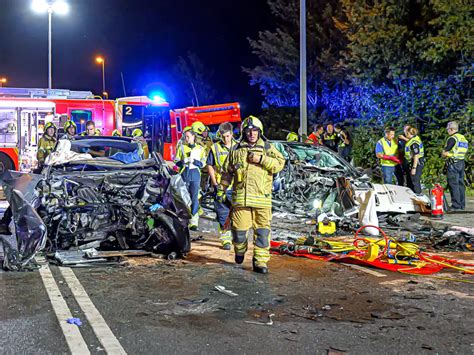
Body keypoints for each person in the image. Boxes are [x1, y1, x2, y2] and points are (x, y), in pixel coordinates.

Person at [219, 116, 285, 274]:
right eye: (248, 131)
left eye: (255, 130)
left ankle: (260, 262)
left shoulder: (268, 148)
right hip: (241, 200)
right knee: (239, 232)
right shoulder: (236, 150)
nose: (252, 134)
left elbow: (279, 164)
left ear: (259, 132)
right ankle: (240, 250)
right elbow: (227, 172)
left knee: (262, 233)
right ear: (244, 133)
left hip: (262, 201)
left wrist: (261, 159)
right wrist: (221, 189)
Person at [207, 122, 237, 250]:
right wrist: (215, 183)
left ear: (232, 134)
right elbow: (210, 165)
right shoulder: (215, 148)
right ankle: (226, 240)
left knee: (238, 215)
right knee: (223, 214)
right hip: (221, 186)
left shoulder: (239, 147)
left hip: (237, 187)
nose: (226, 139)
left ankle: (238, 237)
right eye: (223, 136)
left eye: (228, 136)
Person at [174, 126, 206, 230]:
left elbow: (203, 164)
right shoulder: (182, 148)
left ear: (193, 136)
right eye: (185, 137)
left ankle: (193, 222)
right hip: (185, 174)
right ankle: (183, 220)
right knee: (183, 198)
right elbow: (176, 162)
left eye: (188, 136)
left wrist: (194, 161)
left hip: (195, 174)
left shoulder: (200, 149)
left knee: (194, 198)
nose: (186, 138)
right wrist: (183, 161)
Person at [442, 121, 469, 211]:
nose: (447, 131)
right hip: (461, 163)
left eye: (448, 129)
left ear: (452, 129)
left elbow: (445, 152)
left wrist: (444, 154)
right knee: (460, 184)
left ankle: (455, 206)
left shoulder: (452, 138)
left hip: (453, 163)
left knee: (453, 184)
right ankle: (461, 205)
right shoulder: (463, 138)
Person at [403, 127, 424, 194]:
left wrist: (414, 168)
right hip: (416, 161)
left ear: (410, 133)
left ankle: (418, 196)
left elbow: (416, 155)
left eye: (406, 133)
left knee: (415, 180)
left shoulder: (414, 143)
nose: (405, 134)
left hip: (417, 162)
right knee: (412, 180)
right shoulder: (414, 138)